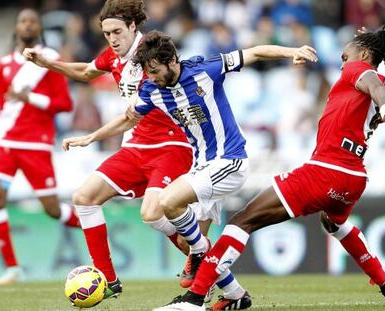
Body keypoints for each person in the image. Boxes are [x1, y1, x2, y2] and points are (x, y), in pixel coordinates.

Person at [152, 25, 385, 311]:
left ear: (363, 54)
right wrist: (383, 106)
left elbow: (372, 82)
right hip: (353, 179)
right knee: (333, 223)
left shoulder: (359, 71)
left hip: (326, 171)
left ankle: (195, 299)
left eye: (346, 55)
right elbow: (376, 88)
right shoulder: (368, 85)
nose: (342, 61)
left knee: (242, 221)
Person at [24, 1, 251, 307]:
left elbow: (181, 81)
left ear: (134, 27)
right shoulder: (113, 57)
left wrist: (93, 135)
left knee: (172, 227)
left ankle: (218, 279)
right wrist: (49, 64)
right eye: (106, 34)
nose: (112, 39)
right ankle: (108, 280)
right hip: (135, 146)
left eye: (117, 31)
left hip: (173, 146)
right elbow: (86, 71)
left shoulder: (152, 54)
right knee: (83, 198)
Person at [119, 31, 317, 310]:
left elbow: (255, 52)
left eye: (154, 71)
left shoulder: (205, 70)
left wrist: (291, 51)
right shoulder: (152, 91)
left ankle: (195, 288)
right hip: (201, 168)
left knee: (167, 202)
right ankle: (236, 295)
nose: (150, 78)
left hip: (229, 162)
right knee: (192, 240)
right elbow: (129, 117)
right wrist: (90, 138)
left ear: (172, 61)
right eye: (147, 73)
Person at [0, 8, 78, 286]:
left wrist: (29, 97)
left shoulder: (50, 60)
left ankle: (91, 223)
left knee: (52, 210)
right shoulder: (5, 63)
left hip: (35, 144)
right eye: (22, 20)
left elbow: (65, 104)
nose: (27, 25)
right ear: (17, 27)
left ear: (38, 27)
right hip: (5, 141)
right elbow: (0, 104)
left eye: (32, 21)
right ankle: (12, 268)